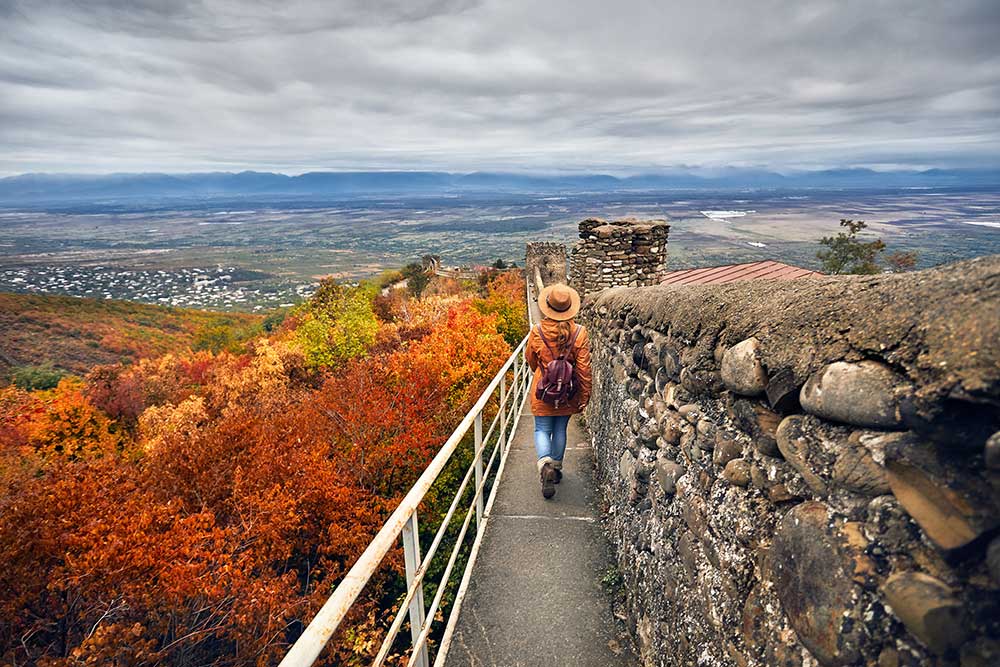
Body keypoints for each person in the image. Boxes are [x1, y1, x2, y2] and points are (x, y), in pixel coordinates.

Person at [525, 283, 592, 499]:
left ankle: (545, 466)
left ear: (548, 306)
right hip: (567, 392)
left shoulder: (537, 331)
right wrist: (584, 395)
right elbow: (583, 369)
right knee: (560, 428)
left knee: (542, 429)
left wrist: (544, 372)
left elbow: (530, 360)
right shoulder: (579, 333)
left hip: (543, 390)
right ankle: (555, 468)